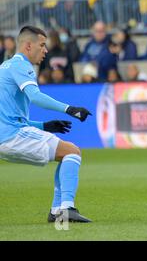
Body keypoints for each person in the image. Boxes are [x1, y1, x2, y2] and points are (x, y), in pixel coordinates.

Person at [0, 26, 92, 222]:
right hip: (13, 135)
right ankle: (65, 209)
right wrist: (70, 109)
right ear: (27, 45)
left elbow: (8, 116)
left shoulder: (4, 67)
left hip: (6, 137)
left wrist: (43, 126)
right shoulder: (21, 65)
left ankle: (57, 210)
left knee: (66, 153)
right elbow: (35, 97)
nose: (46, 51)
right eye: (42, 45)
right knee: (72, 152)